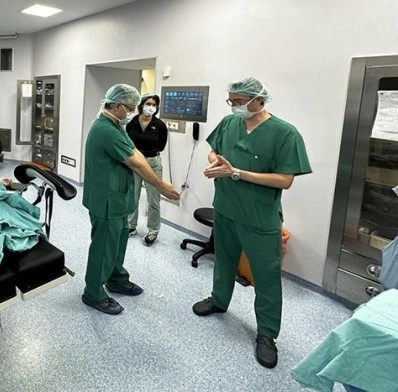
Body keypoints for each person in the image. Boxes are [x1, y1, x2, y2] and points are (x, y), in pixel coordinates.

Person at [192, 76, 312, 369]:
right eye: (230, 101)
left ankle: (267, 334)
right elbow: (213, 149)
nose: (234, 106)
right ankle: (219, 300)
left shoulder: (285, 133)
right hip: (226, 209)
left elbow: (284, 179)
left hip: (259, 216)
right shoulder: (229, 123)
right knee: (224, 261)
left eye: (239, 102)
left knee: (266, 275)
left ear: (259, 100)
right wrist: (216, 160)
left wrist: (236, 173)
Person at [81, 84, 180, 315]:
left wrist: (156, 179)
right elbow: (134, 162)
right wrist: (160, 185)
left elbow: (135, 152)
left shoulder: (116, 125)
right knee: (104, 248)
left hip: (119, 197)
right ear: (116, 106)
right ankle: (93, 293)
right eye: (130, 107)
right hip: (106, 200)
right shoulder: (105, 129)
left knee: (118, 242)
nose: (133, 112)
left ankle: (116, 279)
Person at [126, 93, 168, 246]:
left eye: (154, 105)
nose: (151, 107)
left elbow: (161, 146)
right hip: (135, 163)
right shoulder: (132, 123)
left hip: (152, 163)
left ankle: (153, 231)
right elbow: (127, 143)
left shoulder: (160, 125)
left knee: (153, 200)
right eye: (148, 104)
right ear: (141, 105)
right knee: (132, 197)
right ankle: (131, 226)